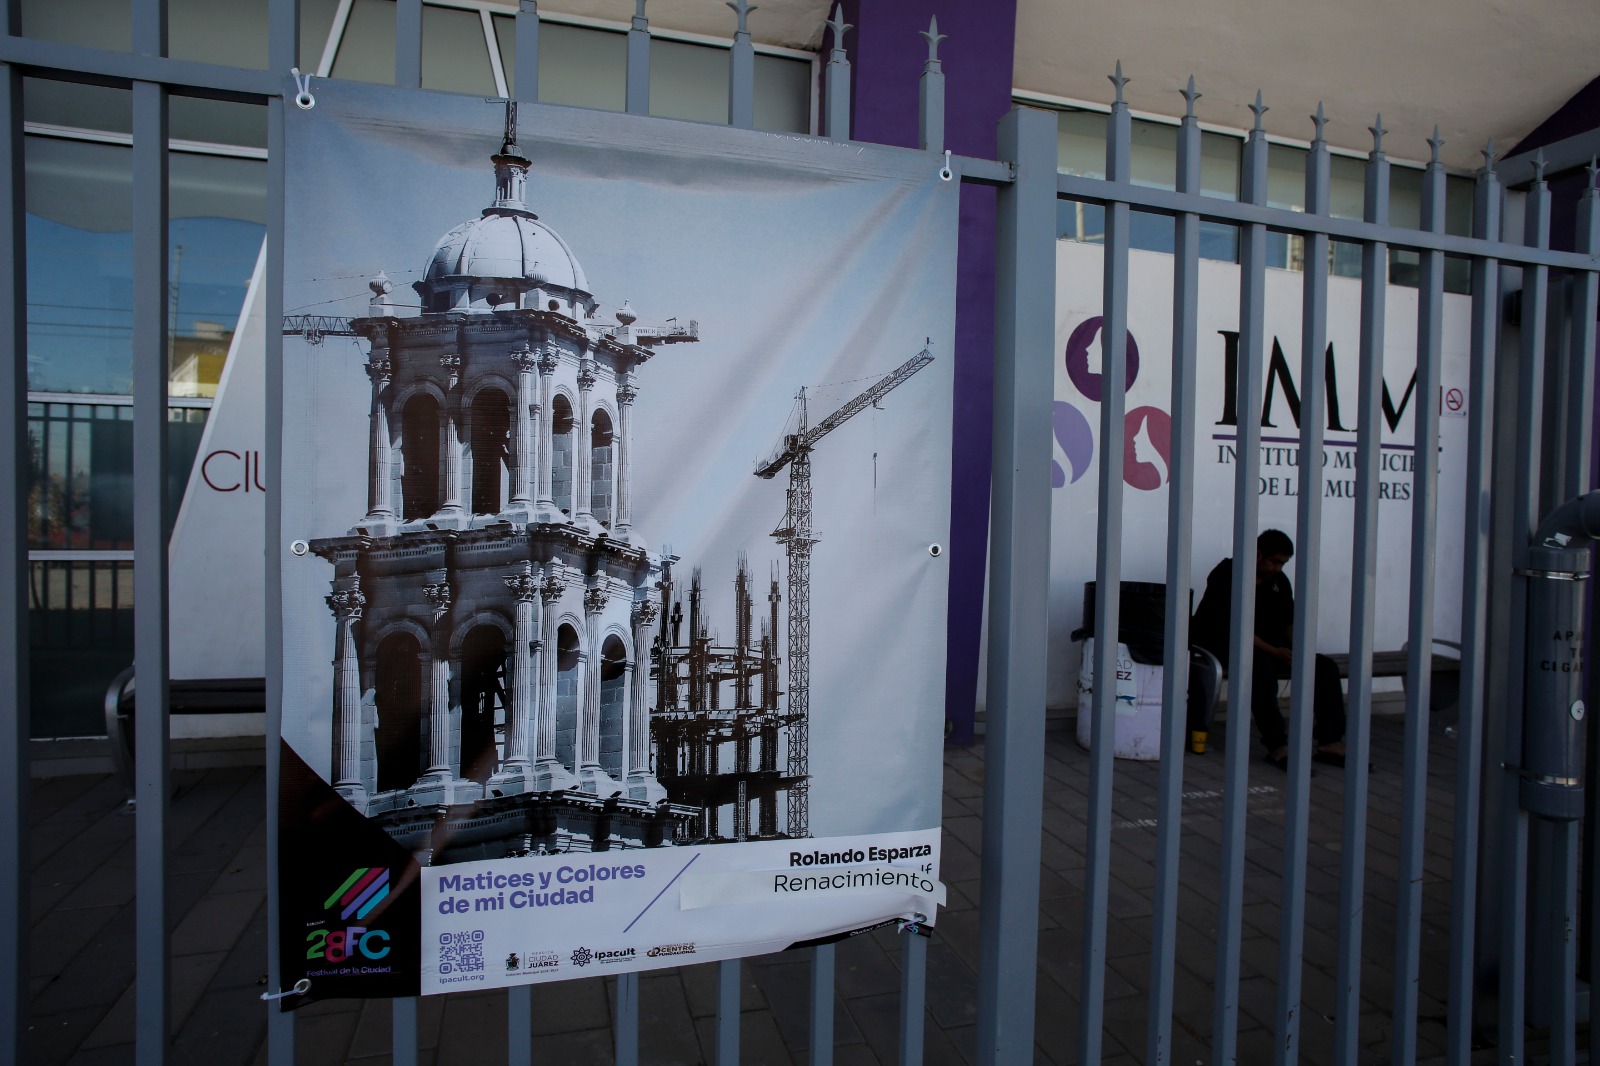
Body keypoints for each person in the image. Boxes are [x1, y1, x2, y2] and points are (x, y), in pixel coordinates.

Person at [1191, 529, 1346, 769]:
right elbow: (1234, 627)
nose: (1278, 568)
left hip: (1266, 646)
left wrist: (1299, 650)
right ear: (1258, 554)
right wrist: (1275, 652)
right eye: (1275, 562)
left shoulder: (1278, 581)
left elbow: (1288, 622)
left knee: (1324, 667)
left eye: (1283, 563)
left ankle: (1330, 741)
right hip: (1222, 644)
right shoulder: (1227, 574)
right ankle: (1277, 745)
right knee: (1257, 667)